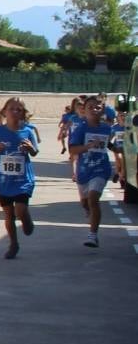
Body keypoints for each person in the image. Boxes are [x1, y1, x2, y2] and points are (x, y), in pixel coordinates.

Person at [0, 97, 40, 259]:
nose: (15, 112)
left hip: (23, 180)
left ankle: (26, 220)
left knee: (20, 209)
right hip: (3, 181)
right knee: (8, 214)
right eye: (12, 109)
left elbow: (35, 152)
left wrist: (30, 148)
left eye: (19, 109)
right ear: (4, 112)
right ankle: (13, 243)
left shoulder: (27, 131)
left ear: (23, 114)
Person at [69, 95, 120, 249]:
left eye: (97, 107)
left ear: (102, 109)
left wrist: (118, 149)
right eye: (90, 107)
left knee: (93, 199)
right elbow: (72, 150)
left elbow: (109, 145)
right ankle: (89, 212)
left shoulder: (107, 128)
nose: (94, 110)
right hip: (84, 170)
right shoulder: (81, 128)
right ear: (84, 110)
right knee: (85, 202)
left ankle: (93, 235)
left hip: (101, 169)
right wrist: (88, 146)